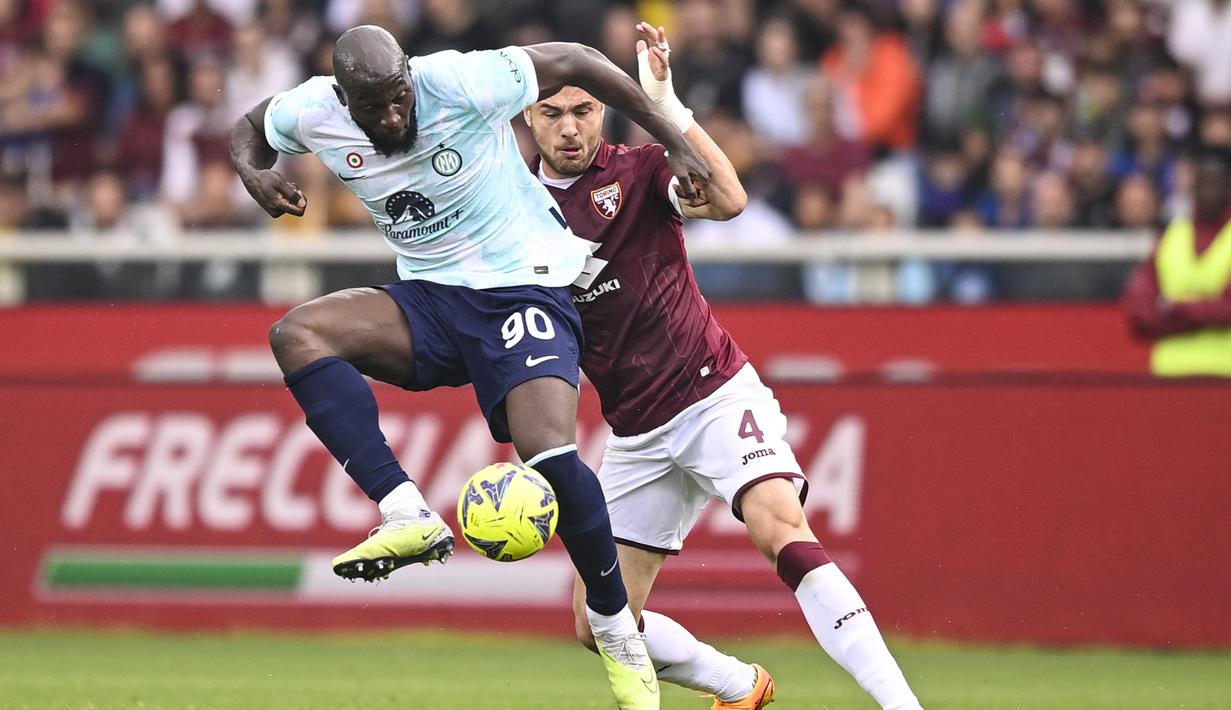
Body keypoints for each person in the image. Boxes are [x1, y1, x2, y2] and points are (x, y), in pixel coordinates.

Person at [228, 25, 713, 709]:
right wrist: (254, 172)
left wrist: (677, 140)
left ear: (409, 76)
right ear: (344, 102)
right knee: (299, 334)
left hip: (523, 286)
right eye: (373, 108)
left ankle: (616, 630)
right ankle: (406, 512)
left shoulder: (458, 80)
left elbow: (576, 60)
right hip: (432, 300)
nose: (391, 116)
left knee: (548, 454)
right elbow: (248, 128)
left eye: (398, 98)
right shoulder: (312, 109)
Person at [524, 23, 924, 710]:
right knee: (597, 622)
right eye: (552, 112)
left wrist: (667, 107)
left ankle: (901, 705)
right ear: (527, 117)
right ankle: (739, 686)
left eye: (583, 109)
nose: (569, 127)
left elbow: (731, 199)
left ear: (603, 110)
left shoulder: (638, 171)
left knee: (780, 527)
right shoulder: (513, 209)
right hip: (635, 432)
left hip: (711, 393)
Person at [1124, 146, 1231, 376]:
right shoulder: (1172, 236)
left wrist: (1176, 309)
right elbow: (1140, 313)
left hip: (1225, 378)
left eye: (1215, 182)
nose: (1207, 190)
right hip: (1171, 379)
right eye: (1201, 182)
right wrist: (1208, 311)